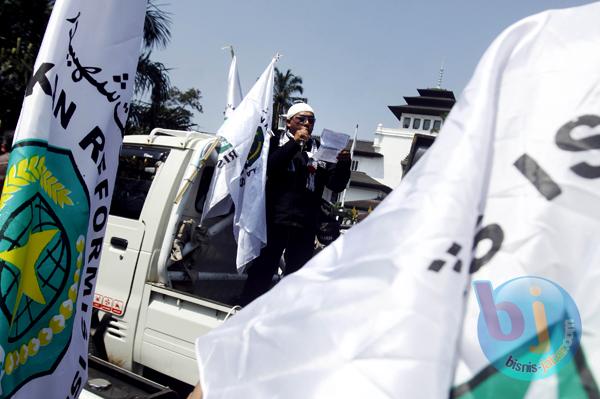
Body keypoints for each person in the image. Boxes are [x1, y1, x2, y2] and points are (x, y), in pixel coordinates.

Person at [239, 102, 351, 306]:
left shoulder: (318, 149)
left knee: (297, 275)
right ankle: (246, 308)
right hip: (275, 218)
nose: (307, 124)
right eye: (302, 119)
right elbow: (269, 168)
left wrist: (343, 164)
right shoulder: (273, 140)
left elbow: (335, 184)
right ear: (289, 122)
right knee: (264, 268)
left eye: (311, 120)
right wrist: (294, 144)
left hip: (305, 222)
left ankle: (283, 317)